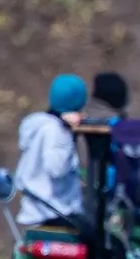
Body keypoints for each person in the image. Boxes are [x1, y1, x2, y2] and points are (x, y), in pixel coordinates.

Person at [14, 74, 89, 229]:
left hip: (34, 214)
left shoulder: (38, 126)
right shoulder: (56, 131)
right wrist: (67, 133)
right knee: (109, 247)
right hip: (54, 214)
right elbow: (57, 168)